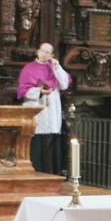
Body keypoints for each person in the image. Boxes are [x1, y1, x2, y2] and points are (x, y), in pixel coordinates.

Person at [18, 43, 72, 175]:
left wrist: (57, 67)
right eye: (43, 51)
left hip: (52, 108)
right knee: (37, 141)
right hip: (36, 106)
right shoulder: (28, 68)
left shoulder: (54, 68)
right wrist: (39, 91)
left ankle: (52, 173)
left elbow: (64, 84)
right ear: (37, 51)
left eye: (49, 52)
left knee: (51, 140)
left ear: (52, 55)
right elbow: (23, 91)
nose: (45, 54)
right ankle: (35, 172)